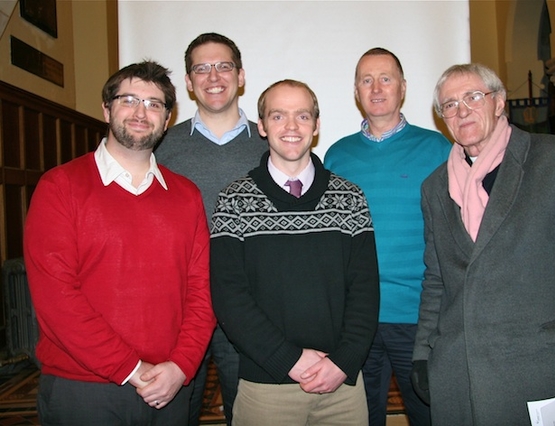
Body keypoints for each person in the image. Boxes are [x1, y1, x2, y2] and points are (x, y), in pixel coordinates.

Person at [411, 63, 555, 425]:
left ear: (499, 102)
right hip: (458, 373)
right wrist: (424, 353)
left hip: (542, 370)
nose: (461, 110)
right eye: (449, 104)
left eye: (473, 97)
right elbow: (436, 280)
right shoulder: (434, 188)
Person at [23, 61, 215, 425]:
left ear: (167, 118)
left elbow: (201, 290)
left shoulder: (186, 195)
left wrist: (182, 365)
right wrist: (129, 367)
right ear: (107, 108)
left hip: (171, 385)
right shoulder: (60, 187)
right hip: (84, 389)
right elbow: (56, 298)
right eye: (129, 100)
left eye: (155, 104)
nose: (141, 112)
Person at [210, 79, 380, 425]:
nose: (291, 127)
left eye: (302, 116)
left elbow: (366, 291)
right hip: (266, 386)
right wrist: (287, 359)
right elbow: (229, 296)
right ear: (261, 126)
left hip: (341, 387)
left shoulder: (350, 198)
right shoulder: (234, 201)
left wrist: (343, 361)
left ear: (316, 126)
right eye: (278, 116)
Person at [324, 47, 451, 426]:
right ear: (356, 91)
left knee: (429, 414)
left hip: (420, 315)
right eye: (366, 80)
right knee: (361, 417)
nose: (376, 88)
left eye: (386, 78)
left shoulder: (439, 149)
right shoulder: (336, 155)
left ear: (403, 87)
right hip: (356, 317)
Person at [154, 32, 266, 426]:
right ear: (188, 81)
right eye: (201, 68)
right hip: (182, 309)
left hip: (252, 307)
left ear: (241, 76)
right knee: (176, 412)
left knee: (250, 413)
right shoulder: (162, 147)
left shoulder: (272, 144)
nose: (213, 76)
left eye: (223, 66)